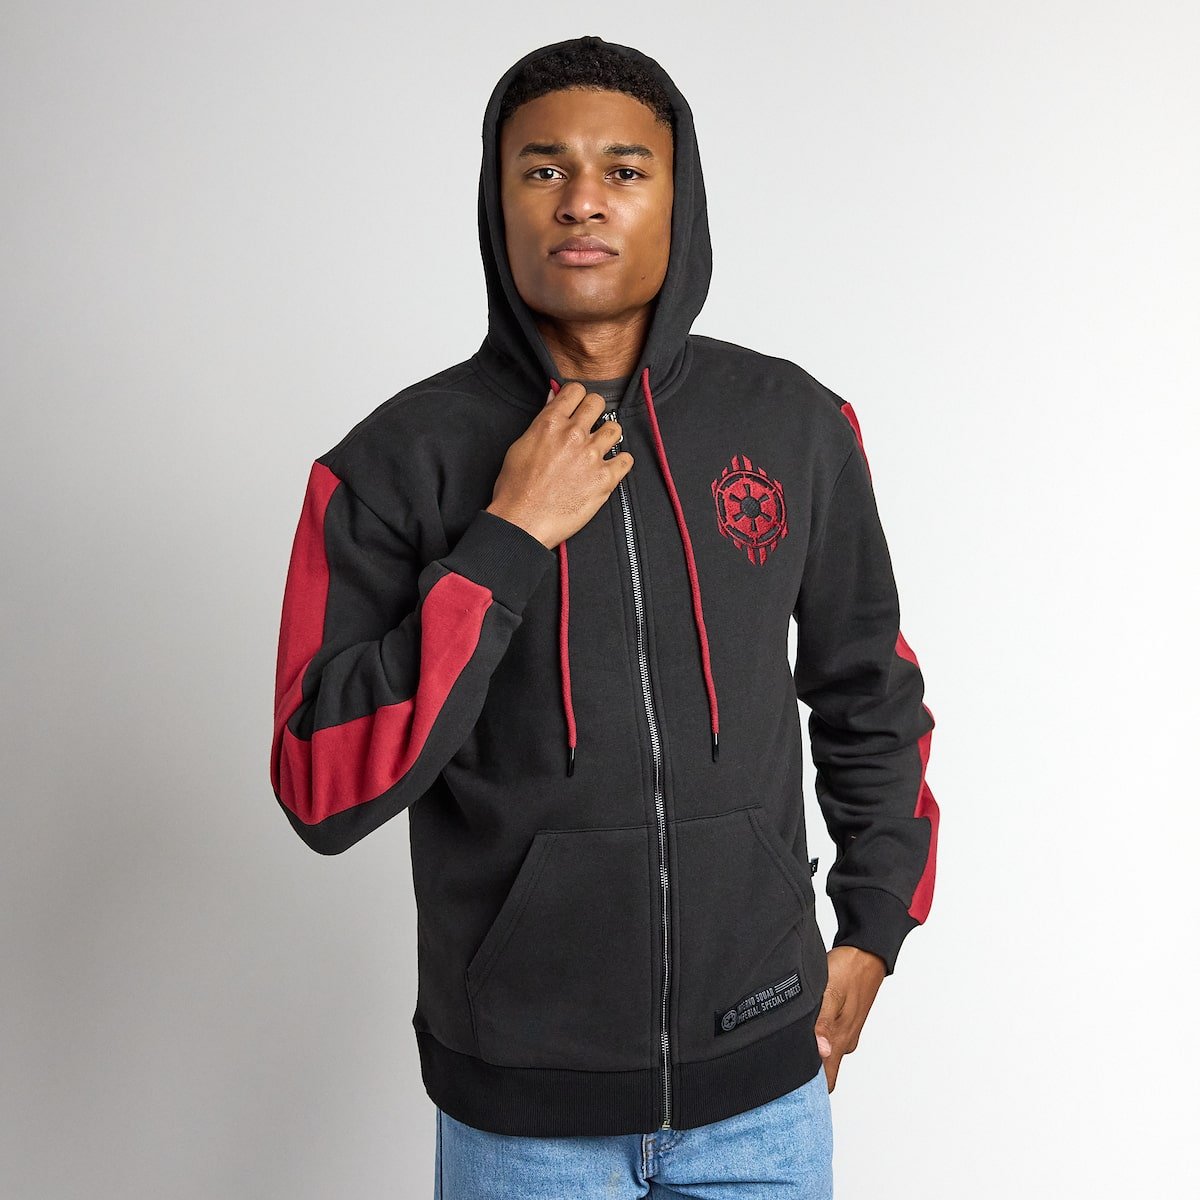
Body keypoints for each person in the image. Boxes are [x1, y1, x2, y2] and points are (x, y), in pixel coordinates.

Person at [269, 34, 939, 1199]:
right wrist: (507, 538)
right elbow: (319, 781)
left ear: (681, 199)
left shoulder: (794, 425)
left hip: (766, 1095)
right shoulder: (394, 463)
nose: (582, 199)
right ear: (499, 200)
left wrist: (874, 924)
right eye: (544, 168)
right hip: (524, 1125)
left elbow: (868, 689)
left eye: (624, 169)